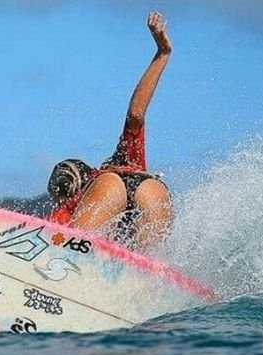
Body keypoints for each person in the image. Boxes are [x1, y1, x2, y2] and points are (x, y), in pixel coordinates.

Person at [47, 11, 173, 251]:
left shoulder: (77, 198)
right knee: (144, 272)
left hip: (110, 189)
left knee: (64, 252)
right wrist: (163, 53)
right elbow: (136, 115)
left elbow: (45, 243)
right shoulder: (127, 158)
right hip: (150, 190)